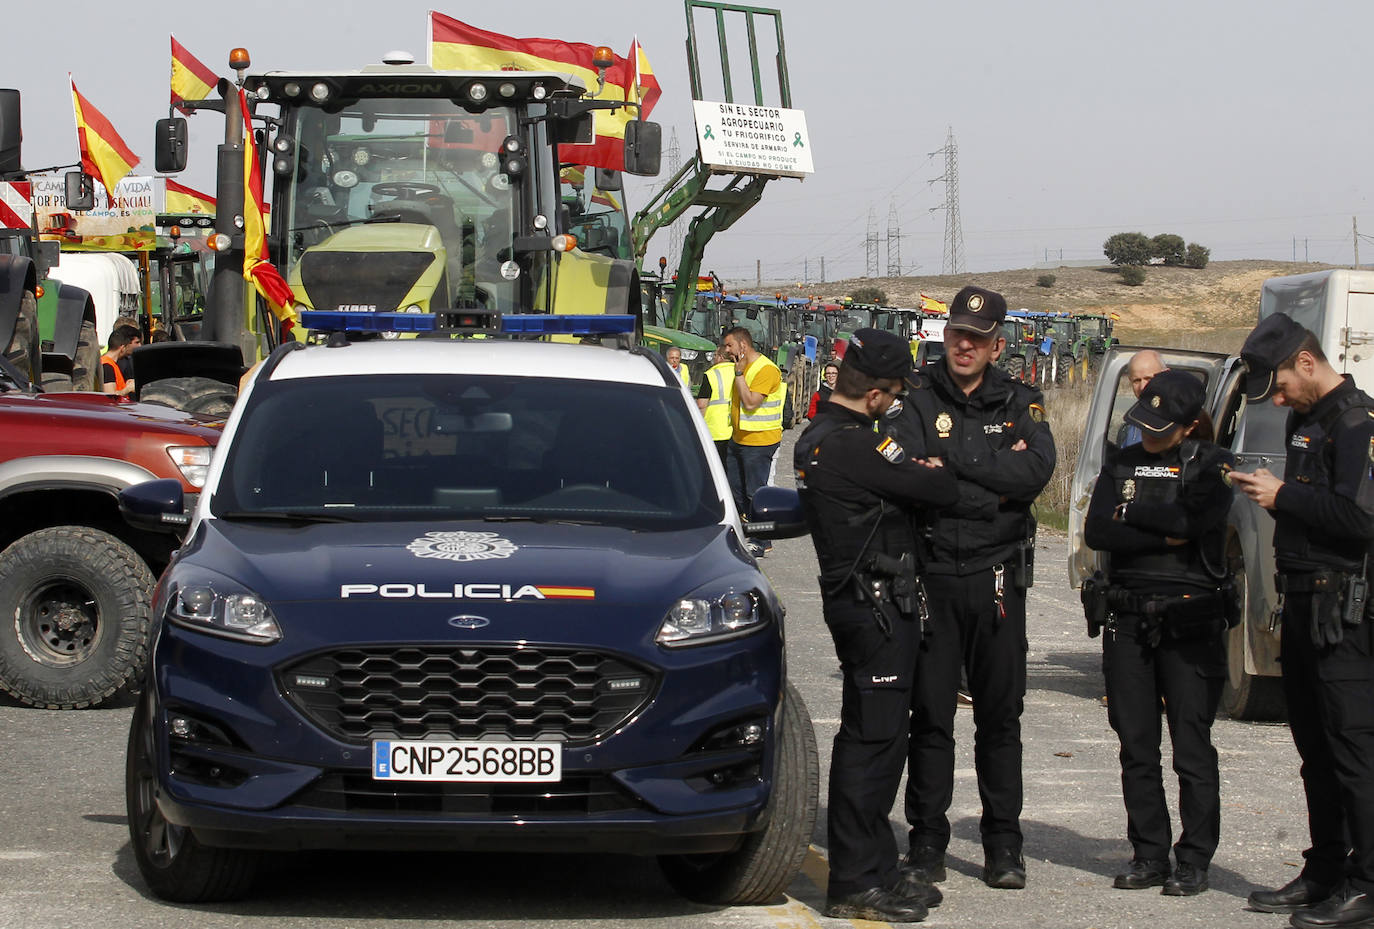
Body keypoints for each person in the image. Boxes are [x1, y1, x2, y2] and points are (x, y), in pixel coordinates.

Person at [888, 285, 1055, 890]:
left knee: (999, 717)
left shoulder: (1020, 401)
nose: (965, 345)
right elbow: (903, 474)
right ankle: (927, 841)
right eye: (958, 333)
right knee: (930, 715)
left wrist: (953, 466)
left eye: (978, 338)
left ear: (996, 345)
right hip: (932, 574)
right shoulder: (915, 398)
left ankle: (1003, 846)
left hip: (997, 577)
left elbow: (1035, 471)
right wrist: (991, 477)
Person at [794, 328, 958, 923]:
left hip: (875, 602)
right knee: (872, 742)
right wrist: (924, 467)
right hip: (875, 606)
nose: (896, 404)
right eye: (894, 395)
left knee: (881, 740)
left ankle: (878, 868)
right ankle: (855, 881)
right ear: (877, 394)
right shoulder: (852, 445)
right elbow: (936, 485)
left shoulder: (830, 436)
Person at [1230, 314, 1374, 929]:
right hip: (1304, 600)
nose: (1278, 397)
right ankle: (1325, 870)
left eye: (1281, 384)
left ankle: (1367, 884)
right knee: (1314, 748)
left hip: (1344, 612)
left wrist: (1281, 496)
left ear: (1307, 362)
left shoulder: (1358, 422)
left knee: (1353, 749)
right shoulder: (1305, 419)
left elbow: (1360, 518)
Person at [1084, 369, 1233, 896]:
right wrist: (1162, 527)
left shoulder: (1213, 465)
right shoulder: (1122, 461)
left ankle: (1194, 857)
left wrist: (1134, 514)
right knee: (1136, 744)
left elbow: (1194, 526)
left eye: (1160, 425)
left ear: (1190, 425)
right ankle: (1149, 853)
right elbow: (1098, 530)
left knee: (1191, 745)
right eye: (1143, 420)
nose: (1147, 432)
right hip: (1127, 617)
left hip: (1188, 620)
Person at [722, 326, 785, 557]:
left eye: (729, 345)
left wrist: (739, 375)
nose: (726, 350)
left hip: (759, 442)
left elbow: (750, 403)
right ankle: (749, 532)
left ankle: (762, 539)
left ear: (743, 345)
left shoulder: (765, 370)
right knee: (735, 491)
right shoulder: (742, 367)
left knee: (754, 494)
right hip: (739, 439)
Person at [1119, 350, 1168, 447]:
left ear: (1166, 375)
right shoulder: (1133, 422)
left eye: (1149, 379)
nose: (1142, 387)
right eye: (1137, 381)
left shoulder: (1179, 420)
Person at [697, 345, 735, 464]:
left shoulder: (711, 374)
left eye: (714, 355)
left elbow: (702, 404)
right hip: (735, 430)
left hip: (714, 430)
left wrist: (698, 426)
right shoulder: (740, 371)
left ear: (720, 357)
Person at [101, 325, 140, 396]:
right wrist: (128, 388)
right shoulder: (107, 366)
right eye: (137, 342)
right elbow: (111, 397)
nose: (139, 346)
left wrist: (126, 385)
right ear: (123, 348)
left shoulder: (109, 363)